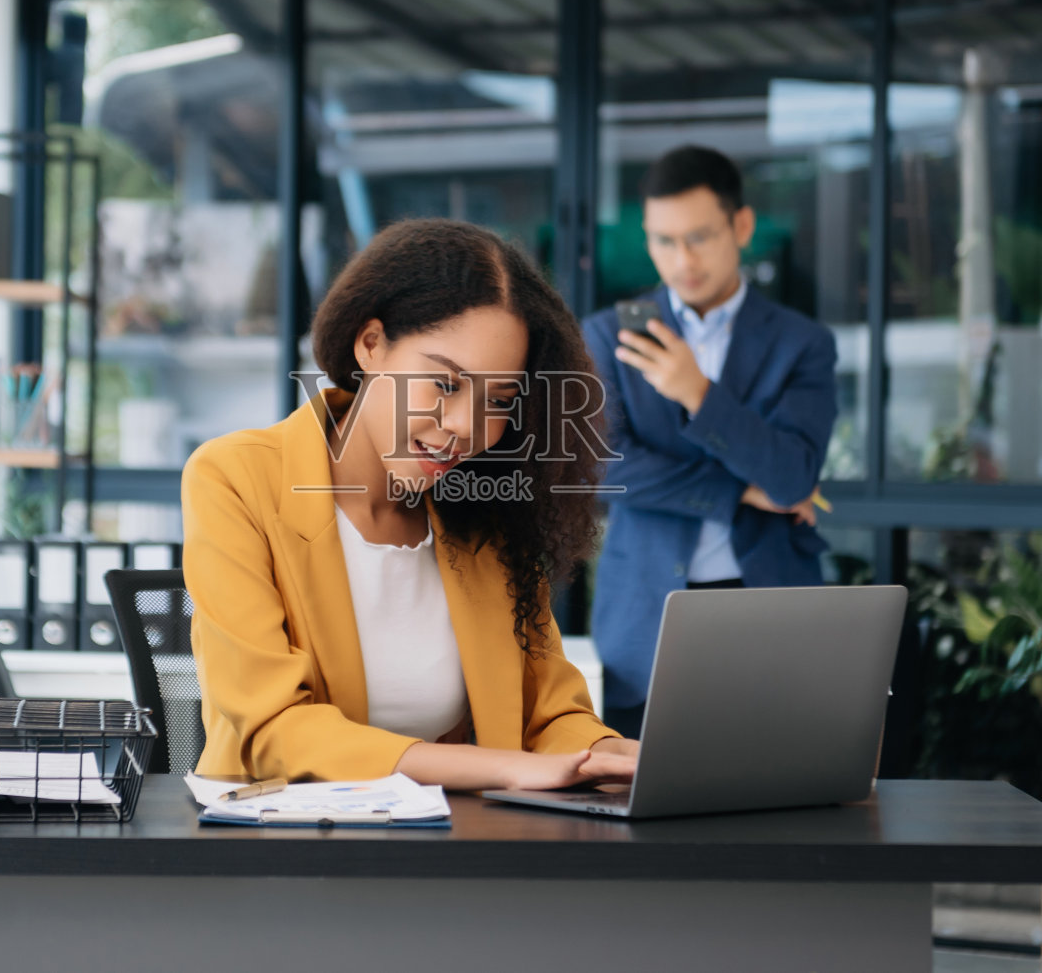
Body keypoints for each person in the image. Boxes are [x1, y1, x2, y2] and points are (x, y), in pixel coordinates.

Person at [182, 217, 638, 789]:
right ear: (371, 345)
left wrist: (614, 753)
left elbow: (552, 712)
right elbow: (275, 729)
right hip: (279, 849)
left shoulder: (482, 510)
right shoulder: (236, 477)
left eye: (497, 401)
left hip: (439, 850)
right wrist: (506, 768)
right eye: (444, 385)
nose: (465, 428)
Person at [583, 145, 838, 739]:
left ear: (741, 226)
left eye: (699, 237)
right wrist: (738, 492)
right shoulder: (608, 335)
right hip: (646, 612)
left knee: (778, 802)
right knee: (640, 812)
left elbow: (793, 478)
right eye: (663, 240)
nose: (682, 259)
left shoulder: (803, 344)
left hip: (771, 605)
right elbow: (599, 467)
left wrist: (700, 393)